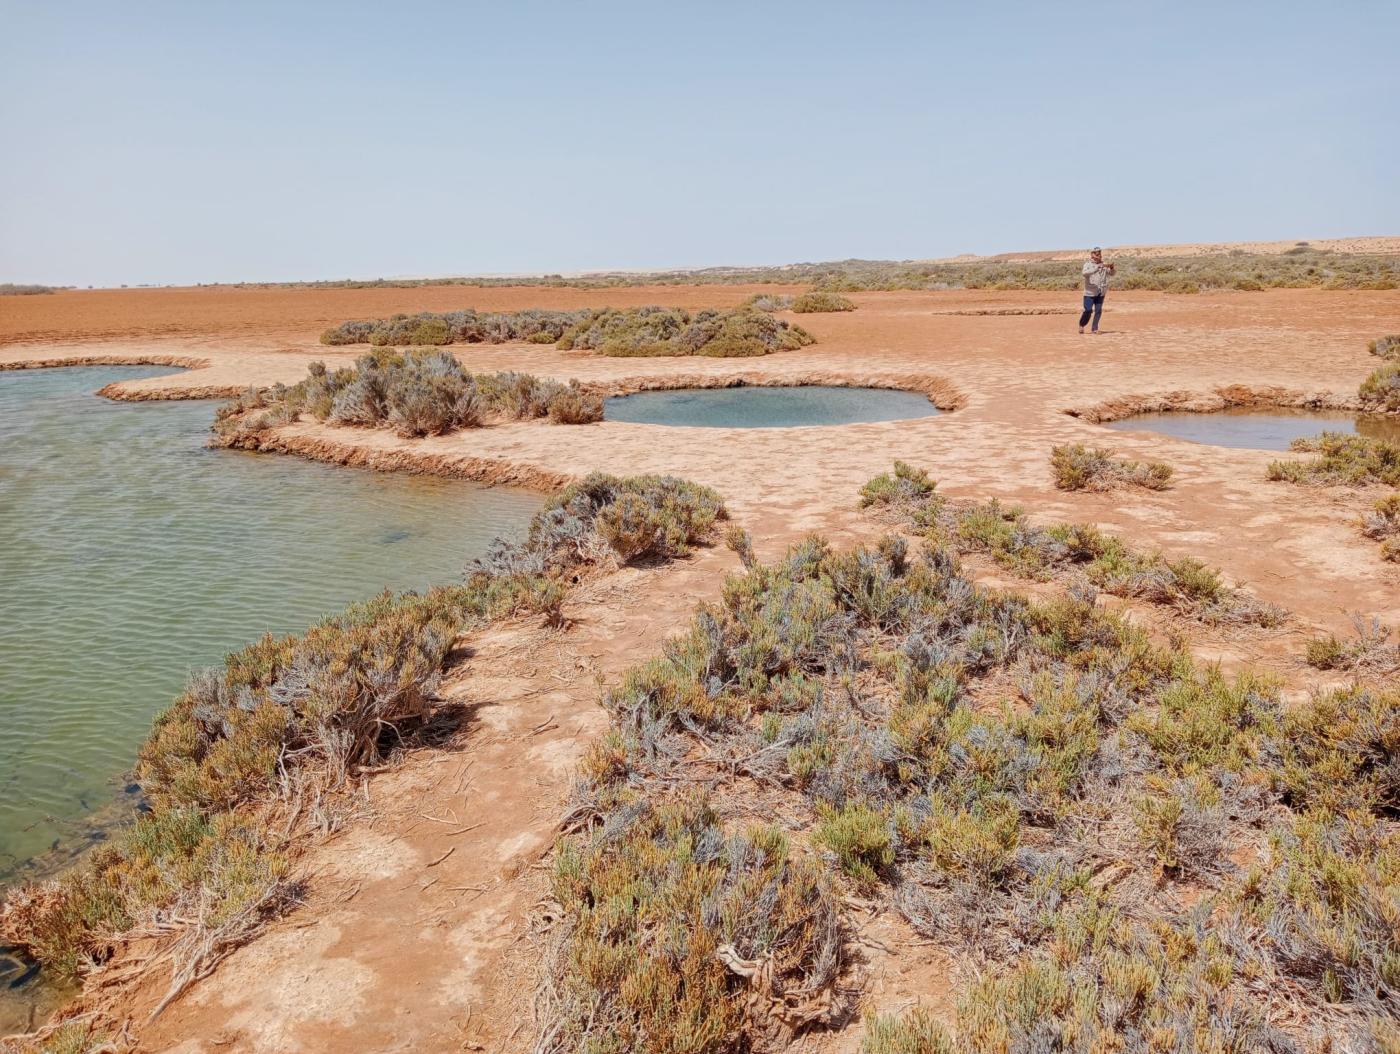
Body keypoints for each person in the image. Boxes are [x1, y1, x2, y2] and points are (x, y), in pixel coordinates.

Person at [1079, 247, 1115, 334]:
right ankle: (1082, 324)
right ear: (1092, 255)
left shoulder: (1103, 264)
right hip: (1089, 292)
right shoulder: (1087, 264)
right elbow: (1084, 273)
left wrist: (1112, 268)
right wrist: (1096, 268)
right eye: (1096, 253)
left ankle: (1094, 328)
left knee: (1098, 310)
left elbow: (1112, 274)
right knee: (1088, 310)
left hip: (1101, 291)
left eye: (1099, 253)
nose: (1098, 254)